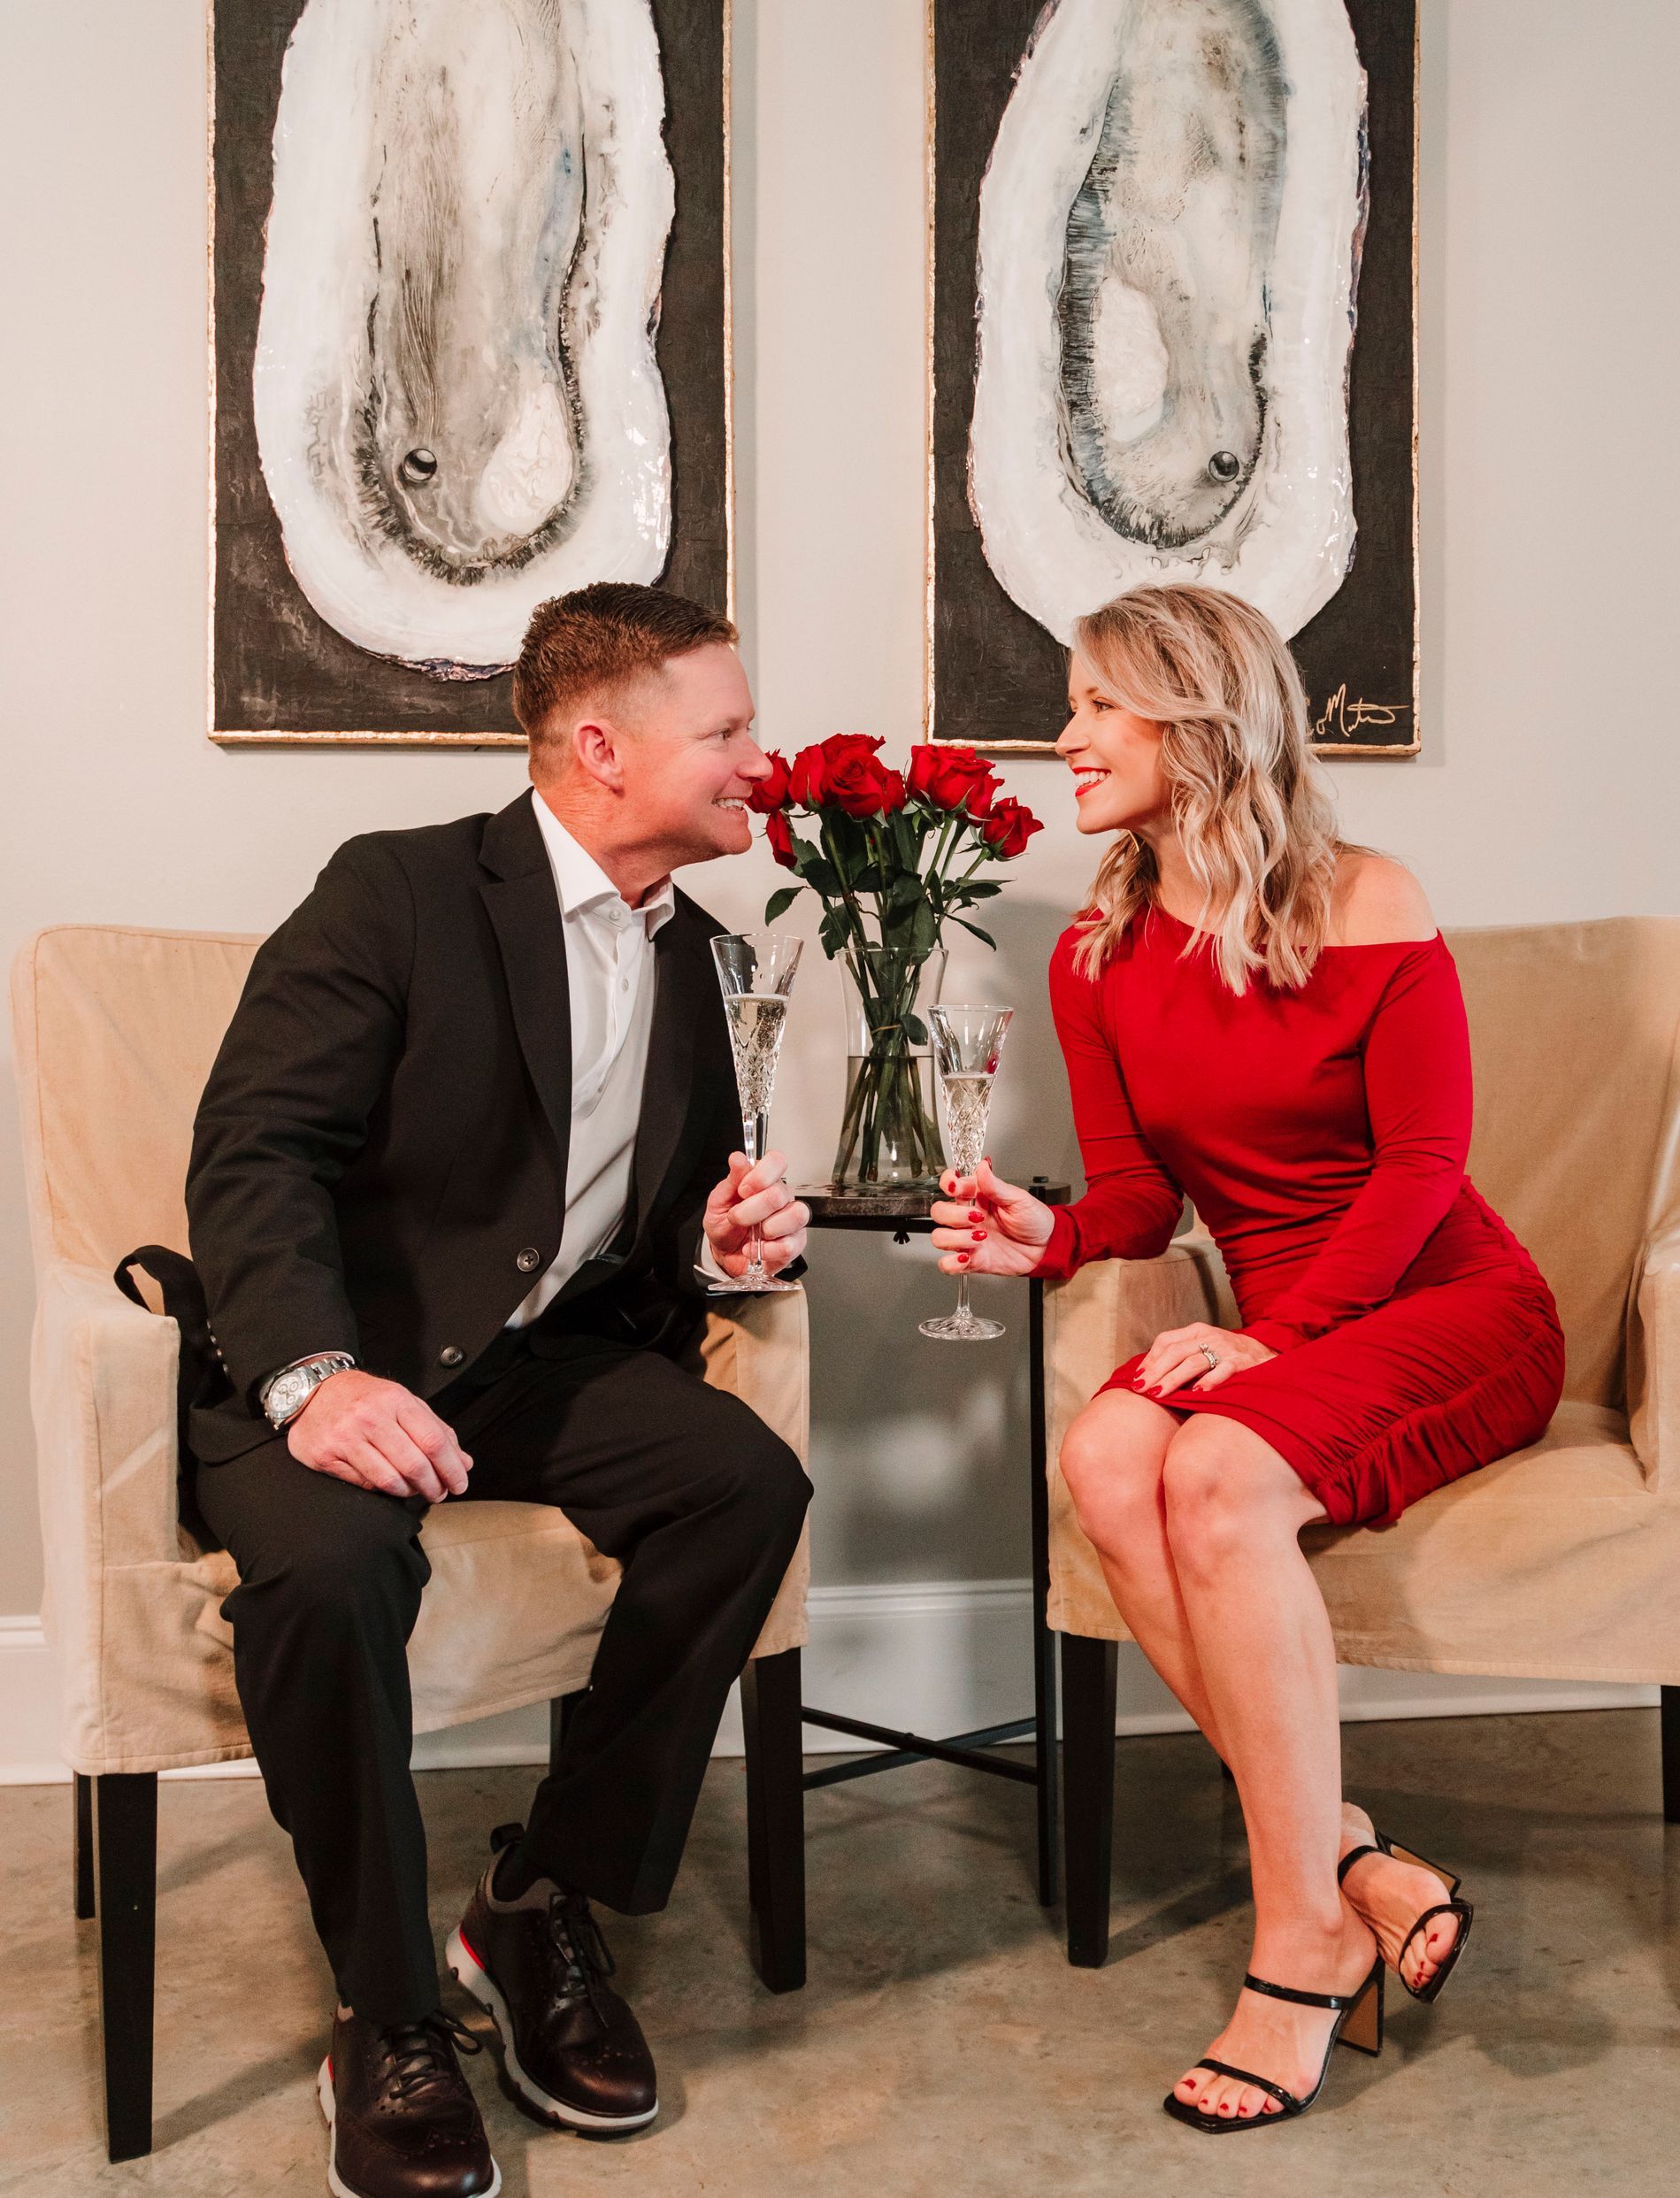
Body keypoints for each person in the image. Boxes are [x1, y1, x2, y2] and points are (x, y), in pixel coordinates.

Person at [186, 582, 813, 2198]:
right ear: (602, 747)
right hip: (336, 1357)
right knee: (332, 1572)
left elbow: (625, 1231)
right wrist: (315, 1380)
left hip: (533, 1368)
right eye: (728, 730)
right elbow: (257, 1152)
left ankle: (535, 1903)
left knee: (745, 1486)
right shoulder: (398, 891)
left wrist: (714, 1246)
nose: (759, 759)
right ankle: (386, 2010)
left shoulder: (710, 958)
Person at [931, 582, 1564, 2134]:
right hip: (1276, 1335)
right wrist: (1051, 1235)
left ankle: (1294, 1954)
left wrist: (1276, 1336)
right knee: (1104, 1456)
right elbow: (1141, 1195)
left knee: (1210, 1470)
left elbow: (1421, 1170)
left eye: (1099, 703)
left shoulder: (1370, 900)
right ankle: (1349, 1864)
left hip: (1451, 1305)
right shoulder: (1099, 954)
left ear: (1199, 716)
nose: (1067, 737)